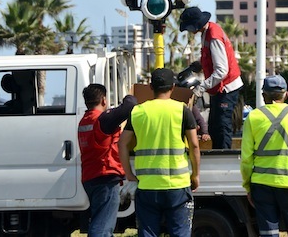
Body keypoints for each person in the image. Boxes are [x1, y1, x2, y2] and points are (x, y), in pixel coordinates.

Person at [119, 68, 201, 237]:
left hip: (147, 186)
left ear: (151, 87)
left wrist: (129, 175)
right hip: (177, 186)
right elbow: (194, 145)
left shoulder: (138, 111)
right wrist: (195, 175)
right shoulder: (182, 110)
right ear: (172, 87)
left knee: (148, 233)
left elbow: (122, 144)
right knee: (180, 233)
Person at [240, 75, 288, 237]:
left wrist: (248, 186)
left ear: (264, 95)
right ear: (286, 94)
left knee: (269, 233)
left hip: (262, 186)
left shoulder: (253, 117)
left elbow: (246, 158)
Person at [77, 84, 138, 237]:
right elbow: (130, 105)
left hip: (90, 177)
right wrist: (129, 93)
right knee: (102, 226)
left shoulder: (84, 121)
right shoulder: (103, 120)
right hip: (105, 177)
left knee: (102, 221)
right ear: (104, 100)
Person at [179, 6, 243, 149]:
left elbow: (221, 70)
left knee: (222, 126)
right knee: (214, 126)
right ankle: (218, 154)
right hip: (219, 89)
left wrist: (200, 88)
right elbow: (212, 60)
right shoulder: (207, 32)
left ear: (195, 25)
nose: (189, 31)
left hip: (226, 88)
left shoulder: (213, 36)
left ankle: (224, 159)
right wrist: (199, 65)